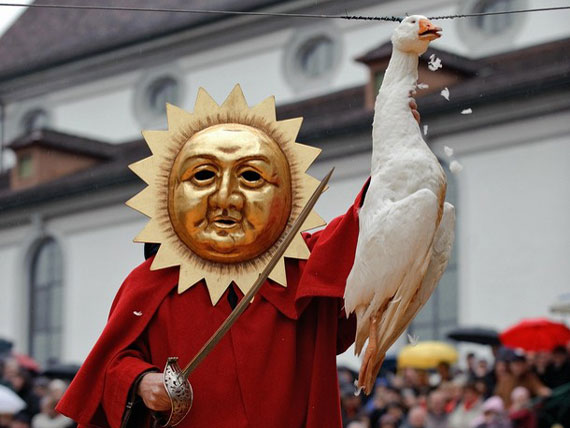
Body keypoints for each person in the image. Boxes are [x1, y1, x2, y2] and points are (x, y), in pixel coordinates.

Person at [56, 86, 422, 428]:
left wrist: (397, 149)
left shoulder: (303, 265)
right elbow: (109, 366)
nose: (225, 199)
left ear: (286, 196)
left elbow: (371, 228)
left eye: (251, 177)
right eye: (203, 175)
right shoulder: (149, 283)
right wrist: (141, 381)